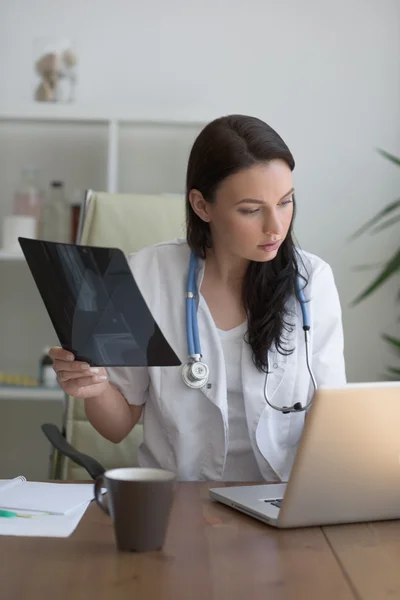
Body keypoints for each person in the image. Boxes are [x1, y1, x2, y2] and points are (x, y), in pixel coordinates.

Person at [49, 114, 346, 483]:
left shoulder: (311, 282)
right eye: (251, 210)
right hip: (177, 503)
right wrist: (93, 387)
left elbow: (334, 421)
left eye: (285, 202)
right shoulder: (144, 276)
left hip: (280, 503)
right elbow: (118, 425)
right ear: (202, 206)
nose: (276, 227)